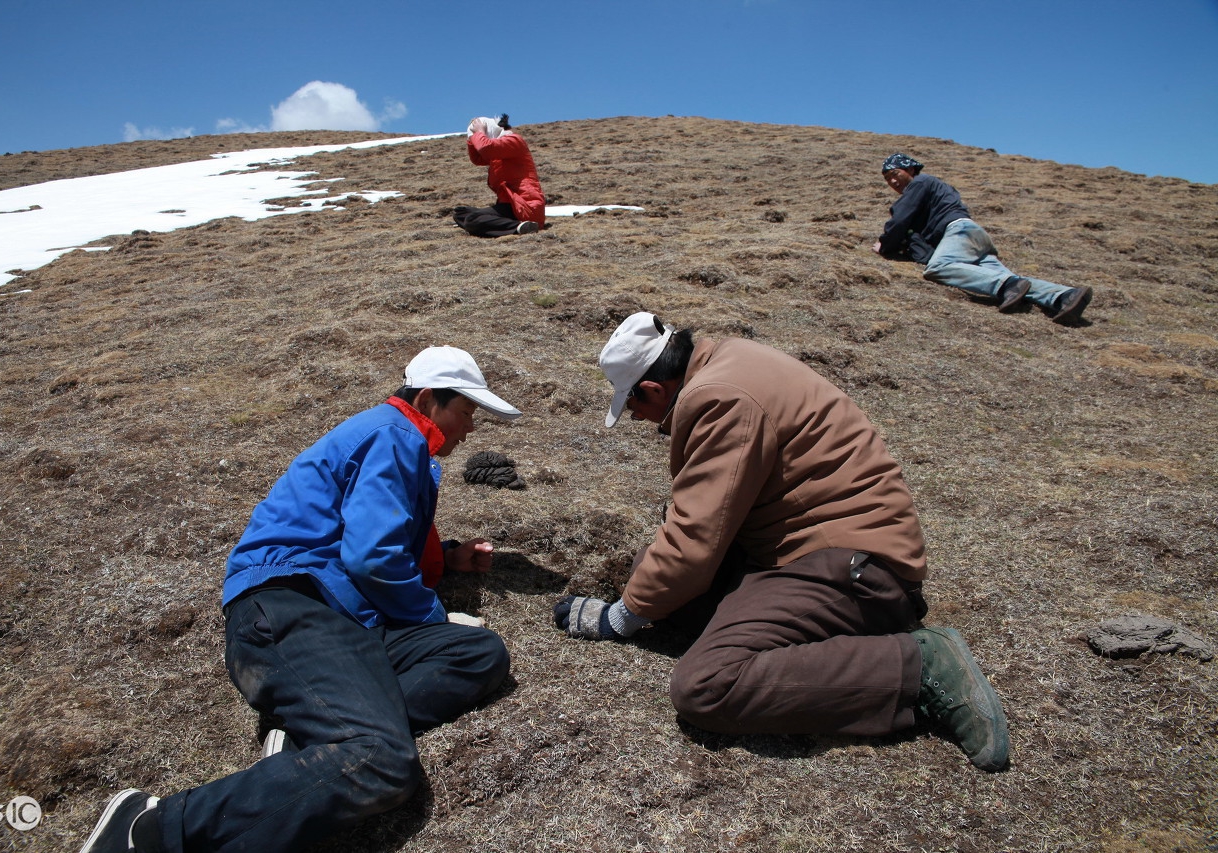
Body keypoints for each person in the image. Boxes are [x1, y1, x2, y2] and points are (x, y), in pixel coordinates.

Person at [81, 346, 522, 853]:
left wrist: (447, 558)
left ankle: (302, 741)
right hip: (291, 604)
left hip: (338, 614)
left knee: (478, 652)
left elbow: (379, 540)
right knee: (378, 759)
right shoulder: (395, 433)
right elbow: (374, 558)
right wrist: (433, 616)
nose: (470, 429)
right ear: (427, 400)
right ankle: (151, 830)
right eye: (466, 412)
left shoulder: (395, 440)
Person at [554, 312, 1011, 772]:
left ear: (652, 390)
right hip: (813, 550)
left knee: (707, 685)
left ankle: (920, 667)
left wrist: (620, 617)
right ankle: (836, 633)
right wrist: (645, 597)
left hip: (848, 566)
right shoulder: (725, 361)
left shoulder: (719, 397)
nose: (640, 419)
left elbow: (696, 535)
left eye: (634, 408)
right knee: (653, 580)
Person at [872, 152, 1092, 325]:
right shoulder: (933, 190)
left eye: (895, 173)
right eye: (887, 179)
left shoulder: (921, 182)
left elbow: (900, 219)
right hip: (972, 238)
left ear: (910, 169)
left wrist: (884, 244)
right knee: (1012, 281)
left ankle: (1005, 286)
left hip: (957, 231)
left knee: (938, 267)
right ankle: (1064, 296)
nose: (892, 181)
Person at [453, 114, 546, 237]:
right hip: (510, 205)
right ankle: (492, 223)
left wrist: (479, 132)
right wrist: (472, 138)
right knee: (460, 212)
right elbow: (477, 158)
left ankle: (518, 227)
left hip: (525, 205)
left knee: (472, 219)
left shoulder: (514, 141)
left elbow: (486, 148)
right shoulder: (498, 153)